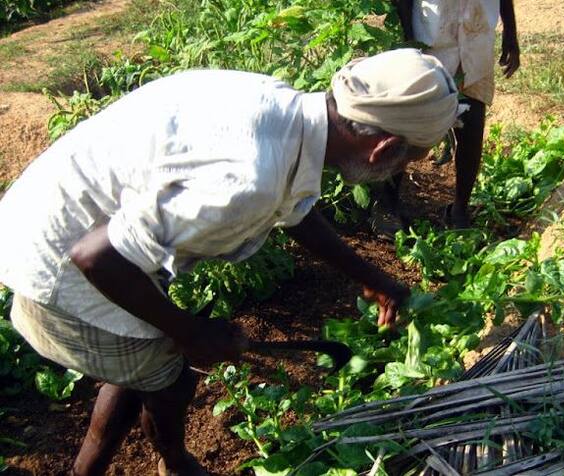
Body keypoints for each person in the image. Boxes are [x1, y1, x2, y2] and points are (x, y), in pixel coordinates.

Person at [0, 48, 459, 476]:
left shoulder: (284, 111)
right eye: (410, 160)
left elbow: (293, 207)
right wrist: (191, 332)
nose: (405, 170)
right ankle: (173, 462)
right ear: (381, 150)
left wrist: (371, 276)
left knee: (142, 358)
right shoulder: (246, 181)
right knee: (171, 379)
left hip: (61, 219)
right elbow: (96, 258)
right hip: (58, 264)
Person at [373, 0, 520, 233]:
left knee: (472, 126)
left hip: (476, 39)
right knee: (407, 124)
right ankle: (386, 204)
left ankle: (460, 209)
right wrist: (410, 43)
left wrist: (510, 34)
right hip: (433, 41)